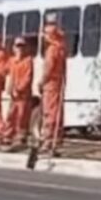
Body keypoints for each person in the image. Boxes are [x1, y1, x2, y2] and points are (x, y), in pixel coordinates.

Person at [39, 17, 68, 155]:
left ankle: (48, 141)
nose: (43, 36)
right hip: (58, 84)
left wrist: (41, 82)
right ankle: (56, 140)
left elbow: (48, 70)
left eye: (45, 33)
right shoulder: (61, 49)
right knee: (57, 112)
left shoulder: (52, 50)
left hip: (51, 85)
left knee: (49, 112)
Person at [4, 37, 34, 150]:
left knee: (22, 116)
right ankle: (8, 136)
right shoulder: (12, 61)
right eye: (17, 46)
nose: (19, 48)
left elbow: (28, 77)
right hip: (14, 95)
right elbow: (7, 73)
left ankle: (20, 137)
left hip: (23, 95)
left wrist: (19, 89)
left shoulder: (28, 61)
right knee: (11, 114)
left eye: (22, 46)